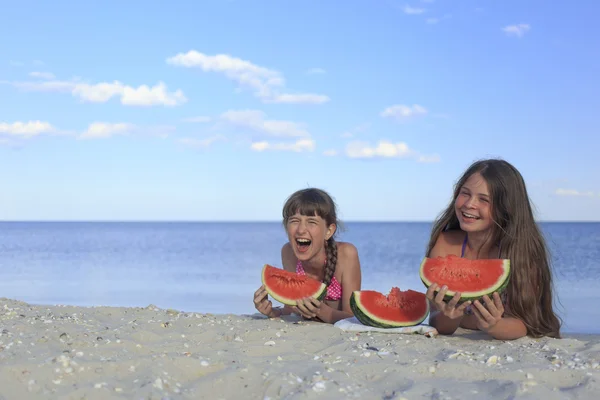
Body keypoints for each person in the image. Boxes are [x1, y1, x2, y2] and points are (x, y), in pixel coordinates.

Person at [424, 158, 562, 340]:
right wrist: (450, 316)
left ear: (506, 208)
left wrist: (495, 325)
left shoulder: (520, 253)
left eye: (484, 199)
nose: (469, 204)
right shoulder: (445, 243)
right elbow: (439, 324)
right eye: (465, 193)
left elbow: (526, 324)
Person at [253, 188, 362, 324]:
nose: (301, 229)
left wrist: (320, 311)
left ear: (329, 231)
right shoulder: (288, 252)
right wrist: (272, 312)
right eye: (294, 221)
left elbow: (353, 318)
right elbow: (290, 309)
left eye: (311, 222)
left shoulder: (346, 254)